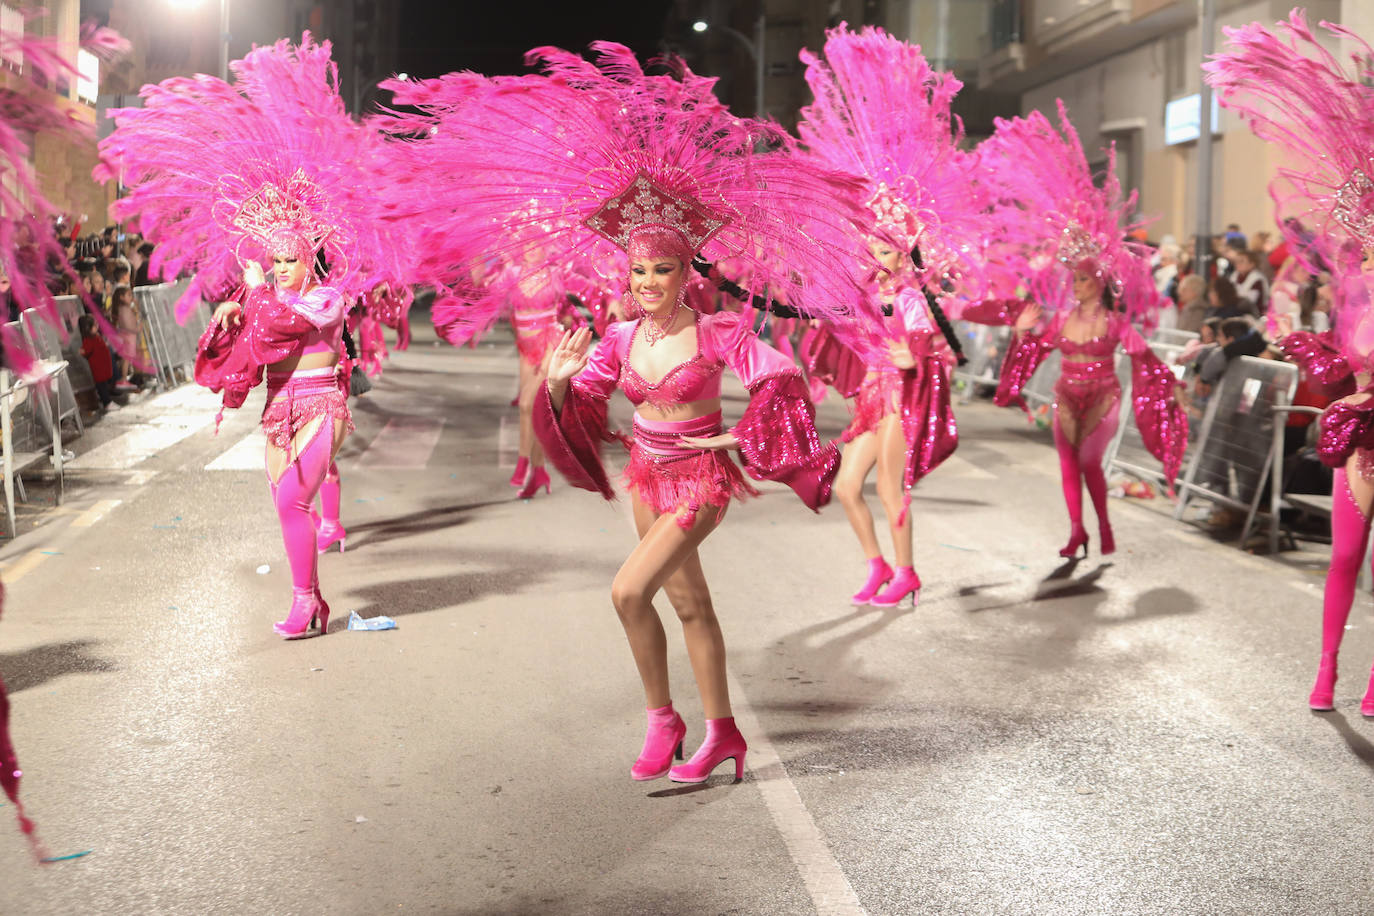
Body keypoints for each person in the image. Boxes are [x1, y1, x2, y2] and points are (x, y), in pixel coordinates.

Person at [384, 42, 878, 783]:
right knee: (691, 609)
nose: (649, 282)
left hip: (700, 483)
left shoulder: (718, 332)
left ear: (688, 272)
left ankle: (663, 718)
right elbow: (584, 411)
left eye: (664, 269)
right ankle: (724, 735)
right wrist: (555, 384)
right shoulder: (616, 336)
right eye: (640, 269)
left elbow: (783, 382)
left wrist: (743, 437)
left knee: (625, 590)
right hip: (647, 478)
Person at [99, 35, 405, 639]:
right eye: (276, 259)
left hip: (322, 404)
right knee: (285, 504)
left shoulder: (326, 295)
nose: (283, 266)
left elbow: (285, 325)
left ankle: (303, 600)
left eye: (291, 258)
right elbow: (239, 354)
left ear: (309, 257)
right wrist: (227, 322)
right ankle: (310, 600)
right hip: (278, 408)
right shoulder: (264, 296)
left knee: (294, 497)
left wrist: (254, 292)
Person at [1208, 9, 1374, 713]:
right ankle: (1329, 668)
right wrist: (1305, 349)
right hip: (1360, 437)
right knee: (1343, 557)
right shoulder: (1354, 290)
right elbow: (1343, 359)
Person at [791, 25, 975, 606]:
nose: (880, 250)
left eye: (891, 243)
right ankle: (877, 566)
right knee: (848, 488)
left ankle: (908, 570)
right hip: (871, 399)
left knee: (891, 490)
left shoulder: (915, 296)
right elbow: (831, 318)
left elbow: (927, 349)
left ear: (907, 245)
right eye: (875, 241)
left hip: (897, 398)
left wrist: (909, 352)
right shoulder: (865, 287)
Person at [973, 101, 1186, 557]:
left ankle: (1104, 525)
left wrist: (1175, 378)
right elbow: (1033, 349)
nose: (1077, 284)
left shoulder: (1115, 323)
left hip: (1104, 395)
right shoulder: (1060, 319)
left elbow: (1146, 359)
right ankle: (1077, 531)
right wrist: (1023, 333)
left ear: (1101, 282)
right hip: (1067, 393)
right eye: (1074, 278)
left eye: (1084, 278)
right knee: (1068, 465)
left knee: (1090, 462)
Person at [78, 314, 116, 410]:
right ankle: (107, 403)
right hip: (98, 369)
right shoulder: (89, 340)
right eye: (95, 325)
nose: (97, 325)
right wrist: (82, 351)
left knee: (104, 385)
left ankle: (107, 400)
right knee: (101, 386)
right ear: (88, 328)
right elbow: (85, 351)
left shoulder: (95, 336)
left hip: (102, 367)